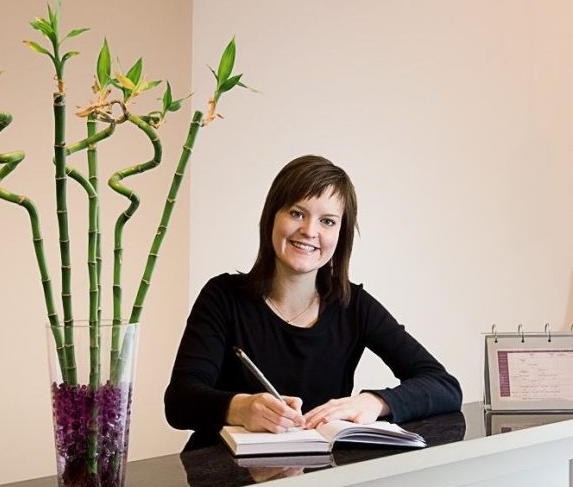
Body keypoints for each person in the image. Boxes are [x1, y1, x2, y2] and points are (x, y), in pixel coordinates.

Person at [165, 155, 462, 450]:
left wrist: (374, 402)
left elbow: (444, 386)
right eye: (297, 213)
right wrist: (241, 408)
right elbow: (179, 401)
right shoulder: (222, 296)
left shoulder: (354, 305)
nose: (309, 231)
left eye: (327, 221)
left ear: (341, 235)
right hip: (222, 472)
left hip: (317, 473)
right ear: (272, 216)